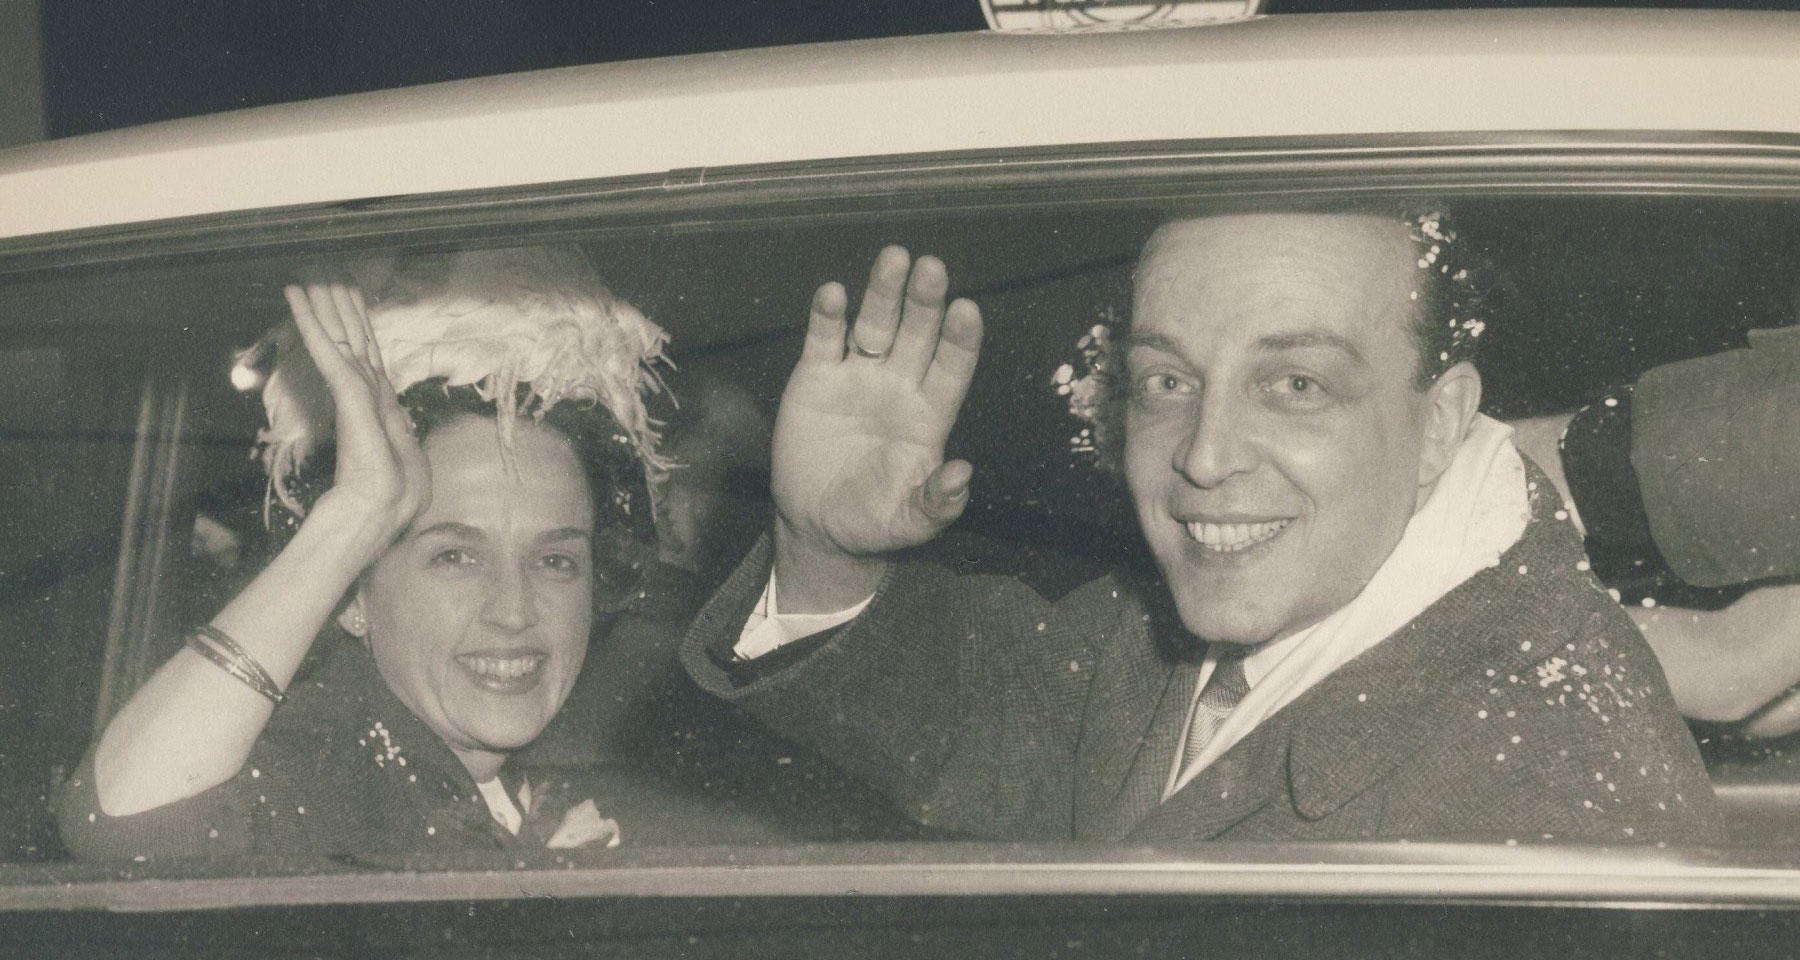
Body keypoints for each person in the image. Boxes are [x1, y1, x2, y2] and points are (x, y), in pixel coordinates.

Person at [681, 206, 1725, 846]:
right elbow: (994, 708)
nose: (1205, 454)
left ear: (1441, 420)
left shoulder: (1565, 792)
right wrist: (823, 548)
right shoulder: (1258, 627)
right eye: (1169, 380)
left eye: (1297, 384)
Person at [56, 247, 780, 859]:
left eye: (556, 560)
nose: (515, 610)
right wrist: (357, 513)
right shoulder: (319, 778)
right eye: (454, 557)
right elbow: (117, 822)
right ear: (353, 600)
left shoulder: (537, 795)